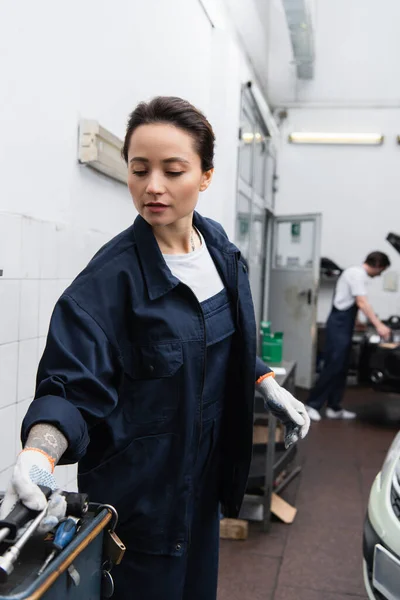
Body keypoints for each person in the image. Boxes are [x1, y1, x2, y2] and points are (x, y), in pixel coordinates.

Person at [0, 97, 310, 600]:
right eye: (139, 169)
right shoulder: (108, 282)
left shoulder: (220, 252)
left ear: (205, 176)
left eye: (174, 170)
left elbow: (216, 341)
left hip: (204, 489)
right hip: (138, 506)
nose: (153, 186)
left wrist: (263, 379)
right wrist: (39, 454)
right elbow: (70, 387)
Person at [306, 251, 391, 422]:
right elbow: (361, 302)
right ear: (378, 266)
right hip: (338, 325)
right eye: (381, 271)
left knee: (342, 366)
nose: (380, 274)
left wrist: (358, 321)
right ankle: (312, 405)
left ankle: (334, 407)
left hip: (345, 324)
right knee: (332, 365)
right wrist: (379, 325)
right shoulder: (356, 274)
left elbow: (352, 302)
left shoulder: (357, 275)